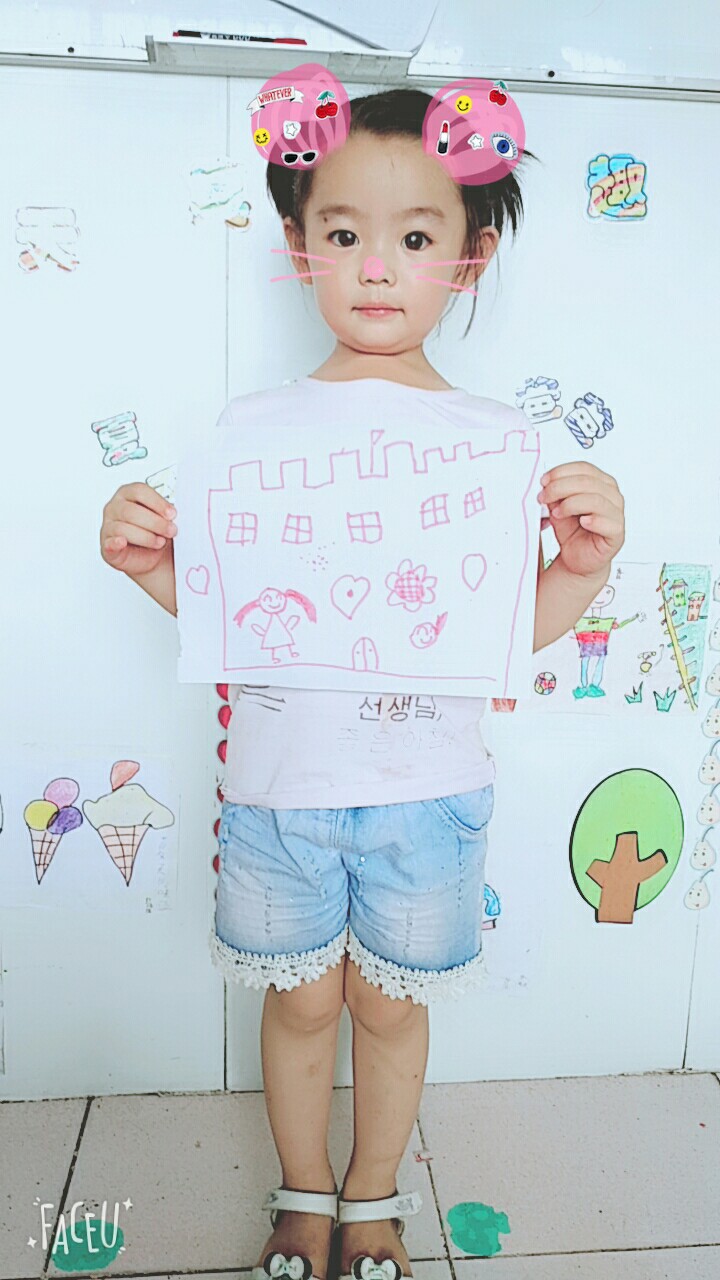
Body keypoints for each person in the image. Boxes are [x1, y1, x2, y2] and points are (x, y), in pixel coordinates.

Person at [99, 78, 625, 1280]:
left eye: (417, 238)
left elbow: (502, 632)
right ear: (298, 246)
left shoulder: (493, 450)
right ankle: (302, 1190)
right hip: (277, 795)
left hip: (428, 800)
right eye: (343, 233)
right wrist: (154, 566)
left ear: (471, 259)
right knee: (298, 1004)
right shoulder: (251, 434)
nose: (377, 267)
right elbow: (242, 619)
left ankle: (374, 1192)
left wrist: (581, 571)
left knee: (388, 1006)